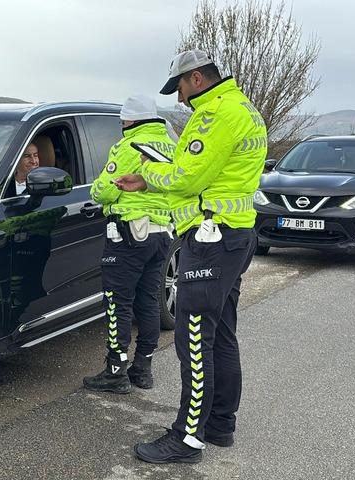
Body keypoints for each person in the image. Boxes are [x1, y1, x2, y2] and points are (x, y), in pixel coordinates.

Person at [114, 50, 266, 464]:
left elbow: (185, 177)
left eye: (180, 87)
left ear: (197, 78)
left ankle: (188, 438)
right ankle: (219, 425)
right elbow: (207, 173)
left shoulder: (216, 114)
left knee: (194, 336)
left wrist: (148, 175)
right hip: (234, 233)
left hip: (211, 235)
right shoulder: (245, 109)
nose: (179, 100)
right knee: (221, 332)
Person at [82, 94, 174, 394]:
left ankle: (115, 372)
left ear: (130, 120)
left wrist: (98, 188)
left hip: (129, 235)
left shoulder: (128, 145)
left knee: (118, 303)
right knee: (147, 302)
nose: (122, 124)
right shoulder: (170, 143)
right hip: (162, 234)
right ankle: (143, 368)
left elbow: (104, 191)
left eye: (123, 120)